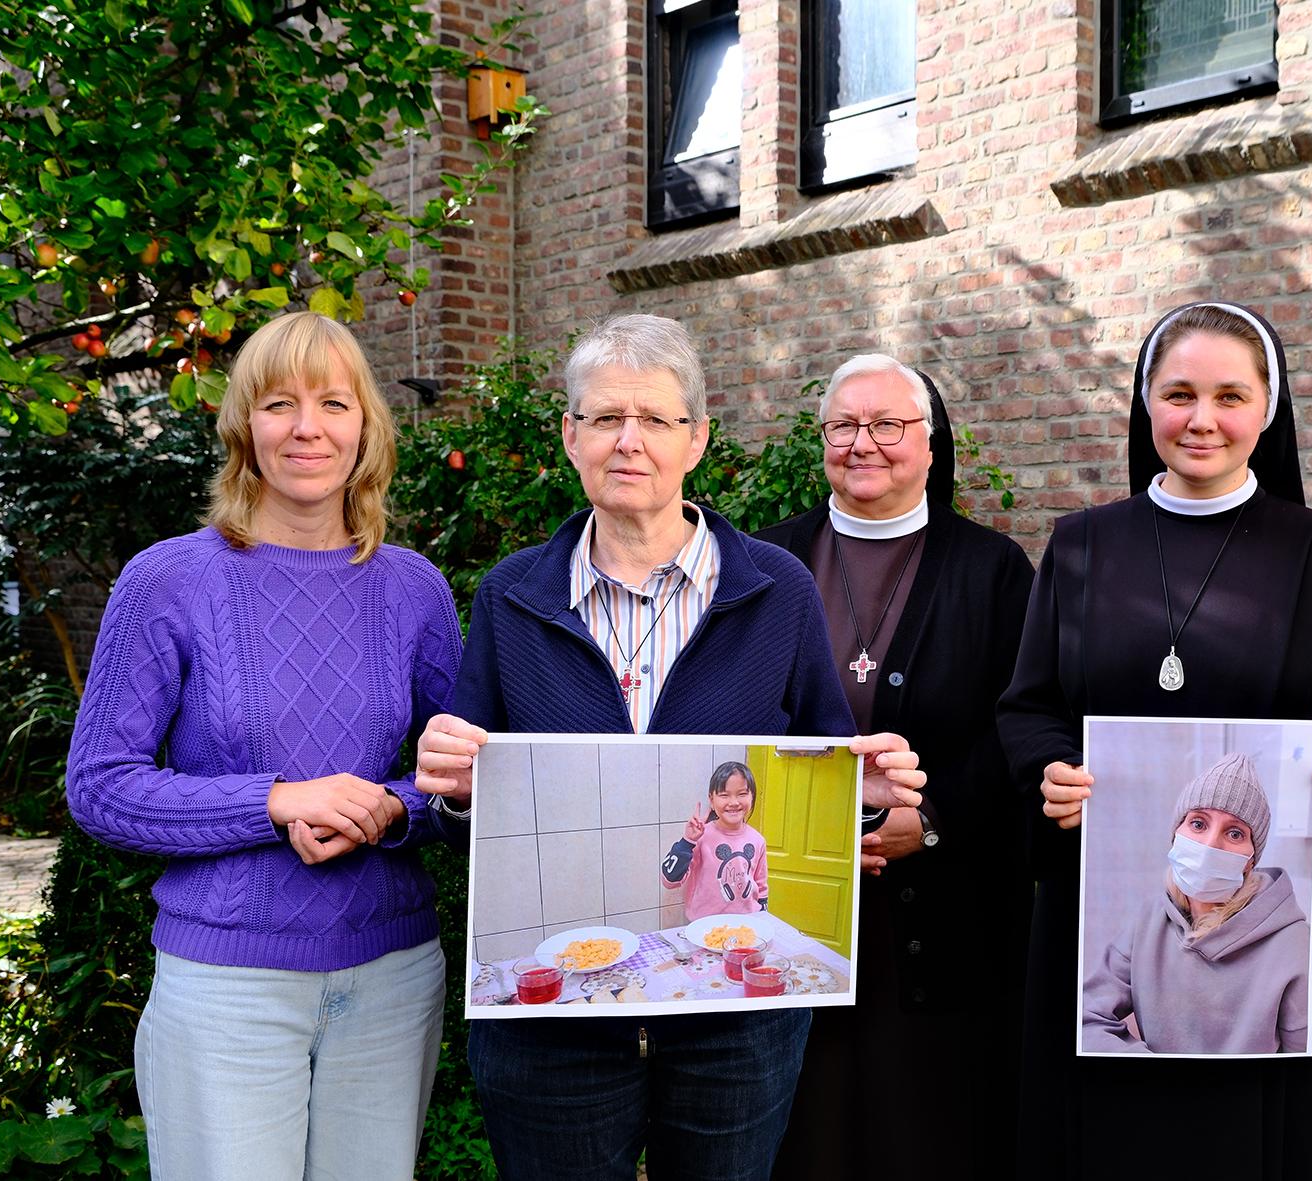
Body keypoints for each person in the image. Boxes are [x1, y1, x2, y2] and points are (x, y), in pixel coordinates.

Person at [411, 314, 926, 1181]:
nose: (629, 440)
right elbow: (463, 801)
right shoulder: (512, 594)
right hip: (557, 1021)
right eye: (605, 417)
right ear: (570, 436)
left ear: (698, 439)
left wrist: (866, 788)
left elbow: (832, 753)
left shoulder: (777, 590)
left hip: (733, 1019)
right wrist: (455, 786)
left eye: (655, 418)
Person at [998, 301, 1312, 1180]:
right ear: (1147, 405)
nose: (1203, 419)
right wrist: (1049, 771)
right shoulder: (1080, 547)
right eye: (1179, 393)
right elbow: (1028, 706)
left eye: (1231, 395)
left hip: (1274, 928)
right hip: (1099, 903)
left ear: (1268, 409)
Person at [64, 311, 465, 1180]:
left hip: (392, 980)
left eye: (334, 402)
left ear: (367, 426)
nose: (308, 426)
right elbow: (100, 786)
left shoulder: (415, 590)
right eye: (280, 403)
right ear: (245, 425)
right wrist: (278, 799)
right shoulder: (168, 579)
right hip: (227, 988)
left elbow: (464, 783)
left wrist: (391, 806)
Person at [757, 354, 1034, 1180]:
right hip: (788, 897)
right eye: (843, 425)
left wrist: (936, 817)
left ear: (931, 443)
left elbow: (1019, 728)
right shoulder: (765, 564)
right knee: (806, 1132)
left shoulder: (993, 570)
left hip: (939, 916)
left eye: (886, 425)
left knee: (926, 1133)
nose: (862, 443)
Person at [1080, 751, 1310, 1055]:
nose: (1210, 844)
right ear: (1176, 834)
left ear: (1250, 860)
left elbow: (1304, 1069)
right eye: (1199, 824)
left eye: (1234, 832)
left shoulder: (1293, 943)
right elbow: (1087, 1016)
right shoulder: (1148, 920)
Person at [662, 760, 769, 919]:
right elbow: (669, 880)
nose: (734, 802)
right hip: (704, 925)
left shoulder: (758, 840)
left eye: (742, 794)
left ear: (752, 796)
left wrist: (763, 917)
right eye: (724, 795)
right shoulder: (700, 837)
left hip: (748, 921)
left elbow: (761, 886)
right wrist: (687, 842)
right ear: (711, 800)